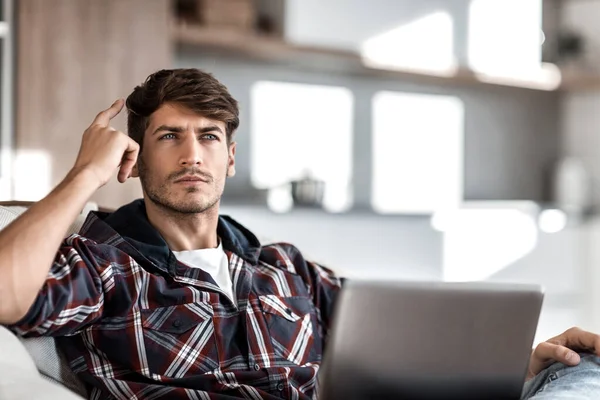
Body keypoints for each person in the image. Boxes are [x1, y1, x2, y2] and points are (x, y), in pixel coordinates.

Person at [0, 68, 598, 399]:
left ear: (230, 158)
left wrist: (520, 360)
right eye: (168, 136)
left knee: (580, 368)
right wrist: (85, 173)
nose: (192, 155)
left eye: (208, 137)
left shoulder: (283, 268)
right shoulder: (102, 264)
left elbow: (402, 344)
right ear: (136, 159)